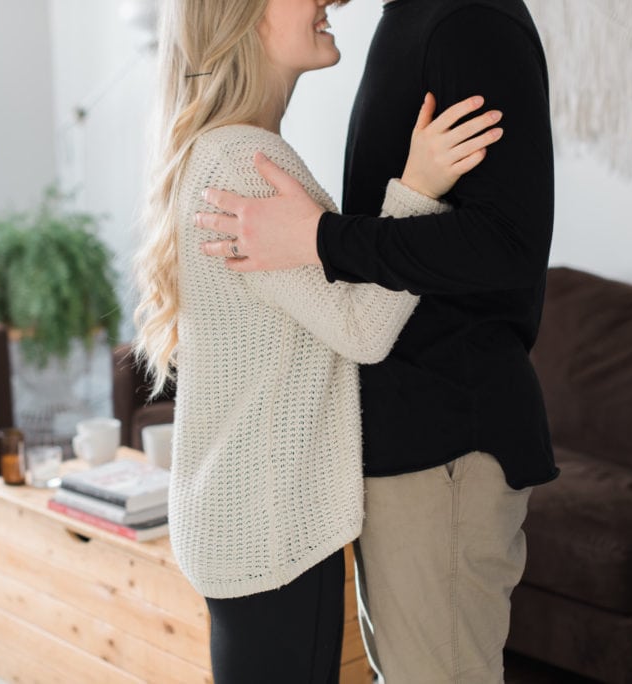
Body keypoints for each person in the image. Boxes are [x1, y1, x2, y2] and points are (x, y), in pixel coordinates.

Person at [132, 0, 505, 681]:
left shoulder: (221, 151)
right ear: (243, 18)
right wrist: (419, 190)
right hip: (270, 526)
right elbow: (362, 330)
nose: (330, 0)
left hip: (238, 518)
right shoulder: (248, 162)